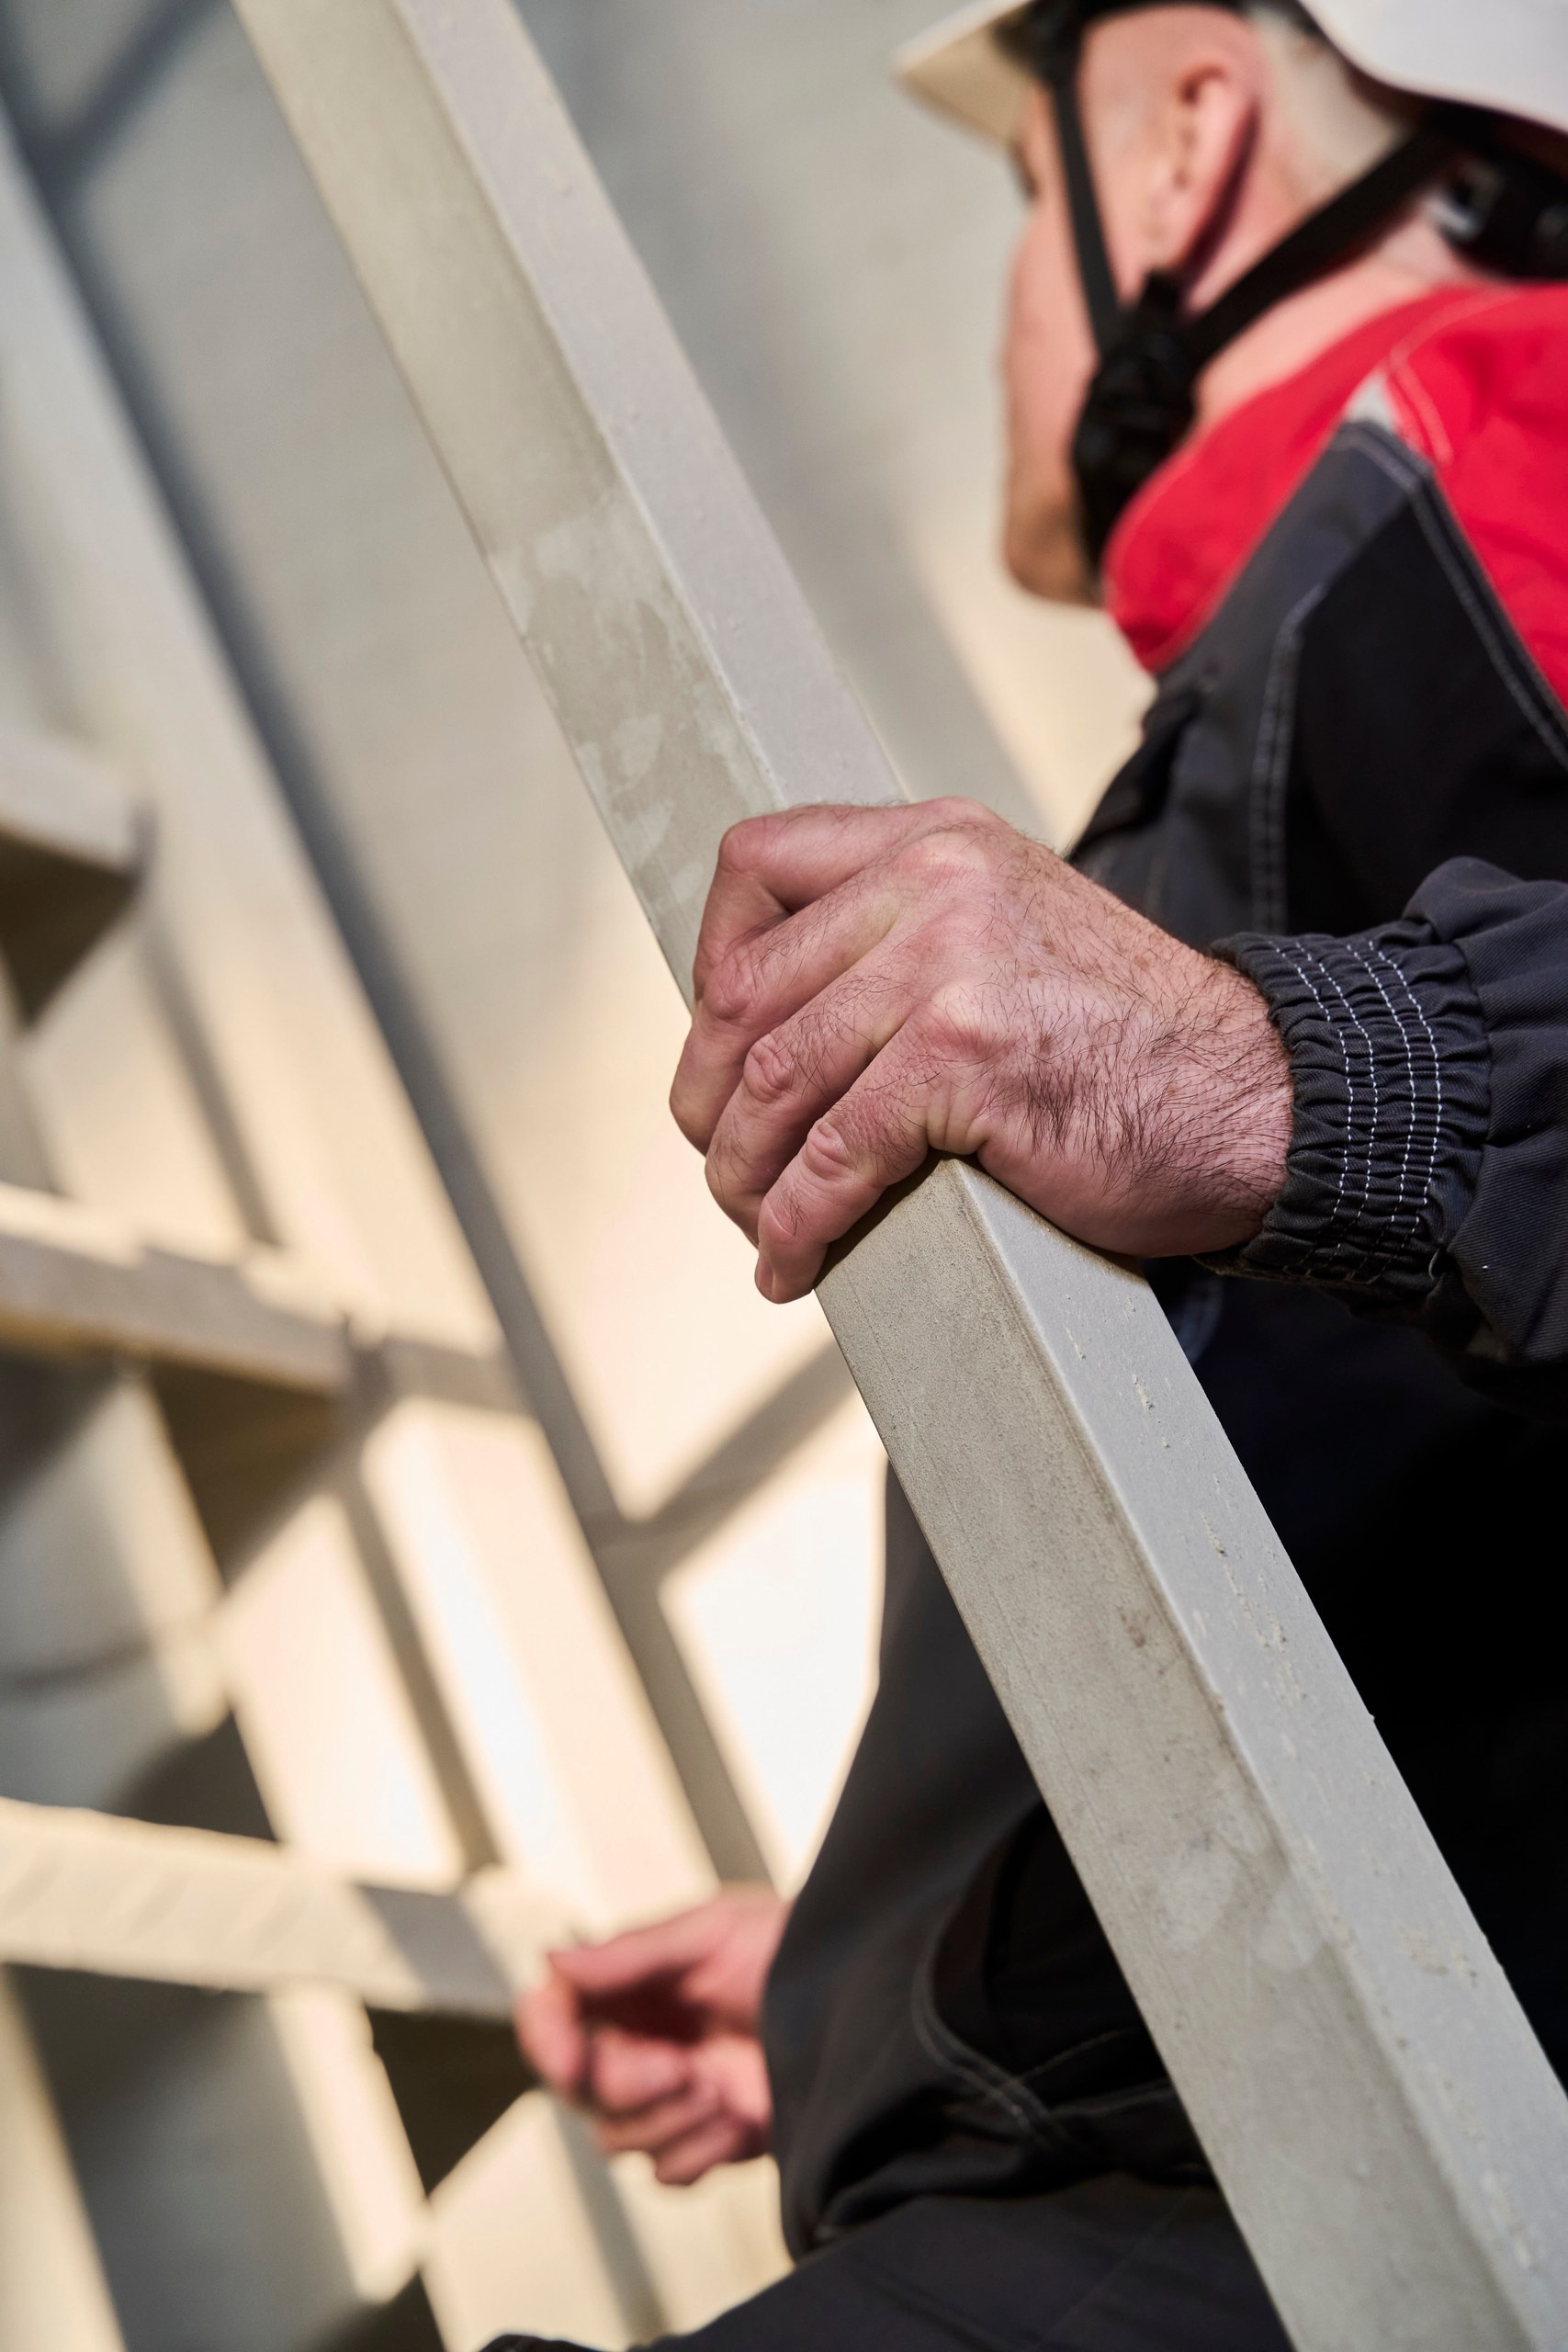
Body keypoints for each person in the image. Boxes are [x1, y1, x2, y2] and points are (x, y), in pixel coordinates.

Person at [501, 5, 1568, 2345]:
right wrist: (872, 1967)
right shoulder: (1343, 631)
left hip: (1296, 2212)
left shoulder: (1508, 453)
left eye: (1019, 194)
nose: (1001, 290)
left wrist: (1268, 1066)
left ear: (1185, 136)